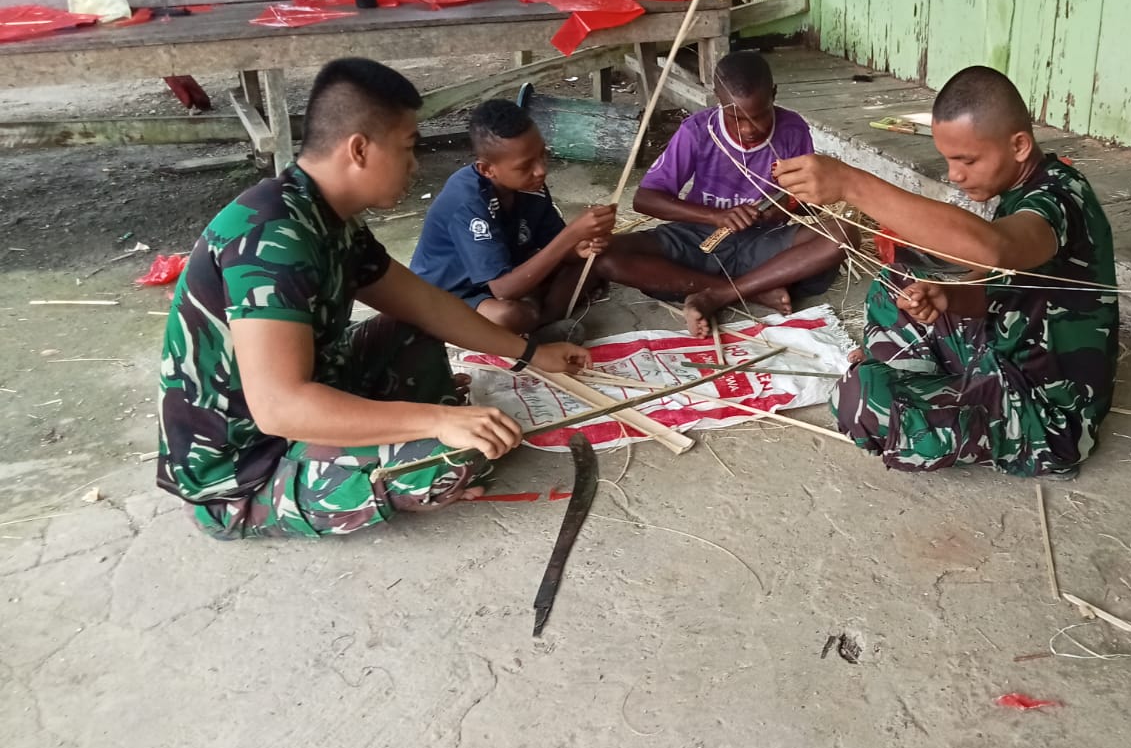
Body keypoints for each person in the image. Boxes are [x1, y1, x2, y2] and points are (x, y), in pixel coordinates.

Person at [155, 58, 591, 540]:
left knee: (419, 333)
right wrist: (438, 420)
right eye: (407, 147)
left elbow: (425, 304)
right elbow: (280, 408)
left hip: (310, 397)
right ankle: (276, 499)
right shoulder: (273, 237)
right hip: (248, 465)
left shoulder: (323, 214)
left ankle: (395, 436)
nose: (414, 165)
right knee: (458, 456)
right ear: (359, 149)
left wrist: (531, 354)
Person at [774, 65, 1119, 477]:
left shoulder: (1060, 199)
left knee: (860, 401)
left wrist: (852, 185)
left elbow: (996, 249)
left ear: (1019, 145)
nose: (955, 175)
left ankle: (929, 396)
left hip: (1045, 415)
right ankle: (921, 384)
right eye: (949, 160)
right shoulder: (1021, 189)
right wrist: (949, 297)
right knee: (896, 283)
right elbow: (1007, 286)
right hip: (1001, 356)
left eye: (967, 160)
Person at [600, 50, 849, 336]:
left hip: (762, 242)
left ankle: (717, 294)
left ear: (773, 94)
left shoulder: (793, 130)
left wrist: (782, 209)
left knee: (842, 235)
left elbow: (808, 203)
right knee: (606, 255)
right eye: (735, 117)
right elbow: (645, 199)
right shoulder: (697, 131)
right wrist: (716, 216)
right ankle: (751, 290)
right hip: (697, 238)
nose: (747, 129)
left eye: (758, 116)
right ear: (717, 99)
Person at [409, 99, 615, 338]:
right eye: (525, 166)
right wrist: (571, 235)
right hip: (451, 294)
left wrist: (580, 246)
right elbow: (504, 290)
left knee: (591, 262)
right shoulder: (468, 201)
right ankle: (539, 318)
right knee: (510, 316)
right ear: (487, 170)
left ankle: (543, 321)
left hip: (508, 274)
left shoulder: (530, 187)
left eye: (542, 155)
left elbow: (555, 245)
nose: (541, 170)